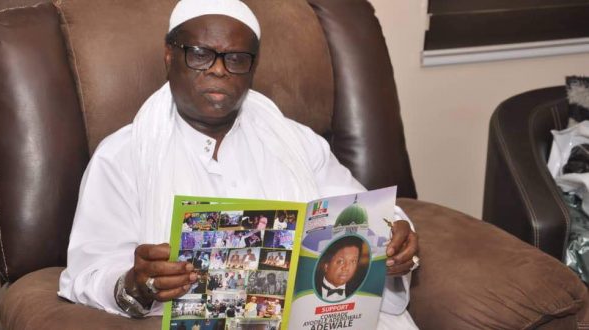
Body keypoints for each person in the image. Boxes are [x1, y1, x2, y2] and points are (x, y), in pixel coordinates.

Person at [58, 0, 419, 329]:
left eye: (236, 58)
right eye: (200, 54)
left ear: (252, 67)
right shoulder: (121, 156)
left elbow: (360, 213)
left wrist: (397, 235)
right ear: (170, 56)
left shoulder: (298, 143)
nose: (218, 70)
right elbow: (89, 271)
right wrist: (136, 283)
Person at [314, 236, 366, 302]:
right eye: (340, 261)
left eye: (353, 261)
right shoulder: (311, 288)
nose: (346, 268)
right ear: (326, 266)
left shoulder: (361, 291)